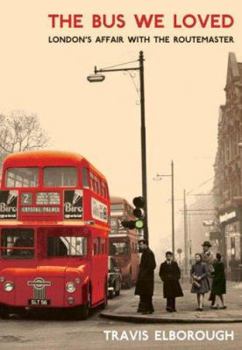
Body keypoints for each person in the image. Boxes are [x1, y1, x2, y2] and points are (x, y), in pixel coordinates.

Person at [135, 239, 156, 314]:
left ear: (145, 244)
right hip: (145, 278)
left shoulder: (149, 253)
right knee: (145, 294)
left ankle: (147, 309)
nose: (140, 246)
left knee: (147, 294)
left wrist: (144, 274)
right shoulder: (145, 252)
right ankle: (148, 309)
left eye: (141, 245)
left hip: (147, 278)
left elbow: (152, 265)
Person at [201, 240, 215, 306]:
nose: (204, 248)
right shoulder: (201, 254)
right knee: (202, 287)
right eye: (203, 246)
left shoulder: (211, 254)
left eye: (205, 246)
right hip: (203, 272)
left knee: (212, 287)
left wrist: (204, 259)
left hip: (210, 272)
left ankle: (213, 300)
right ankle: (201, 302)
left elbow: (210, 261)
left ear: (208, 247)